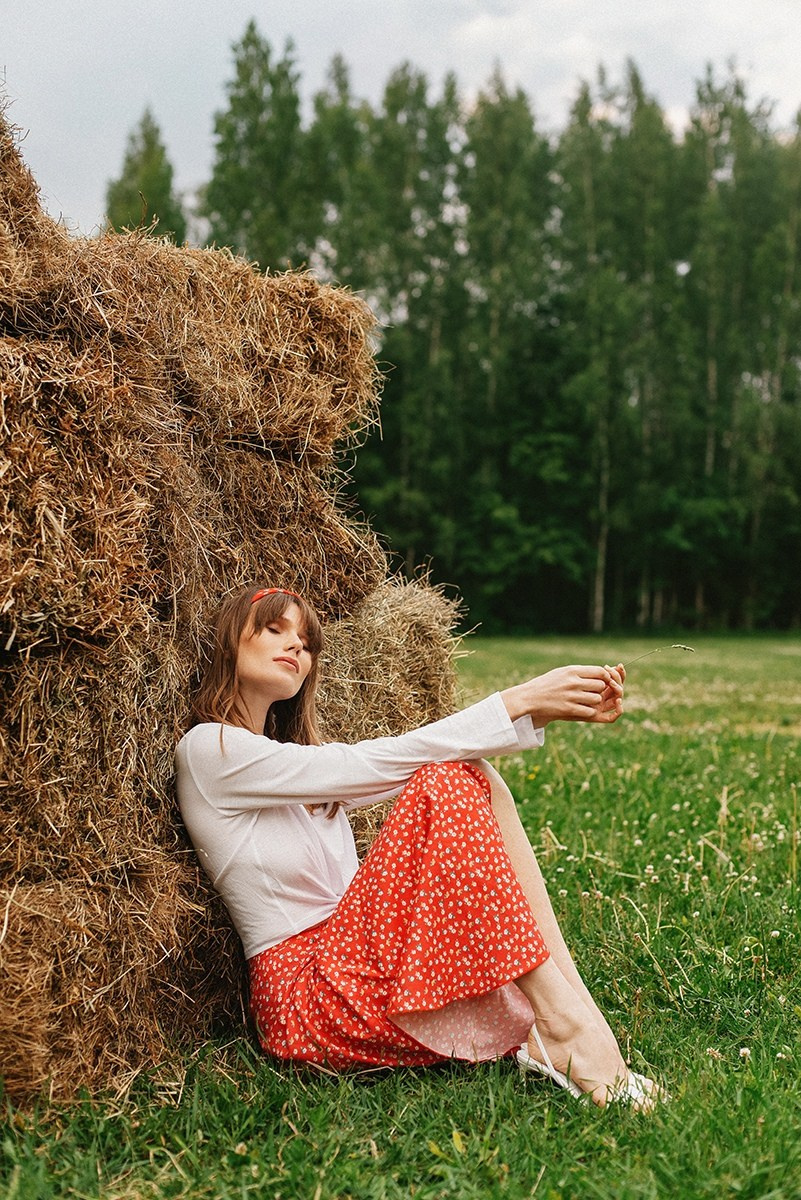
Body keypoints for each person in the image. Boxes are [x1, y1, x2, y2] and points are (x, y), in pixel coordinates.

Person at [176, 585, 661, 1109]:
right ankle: (565, 1030)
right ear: (229, 644)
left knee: (471, 773)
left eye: (307, 640)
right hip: (308, 998)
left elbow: (389, 777)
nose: (297, 646)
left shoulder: (293, 768)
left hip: (355, 969)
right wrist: (518, 701)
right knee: (447, 780)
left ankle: (572, 1017)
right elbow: (379, 764)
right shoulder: (209, 751)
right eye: (275, 629)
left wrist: (538, 713)